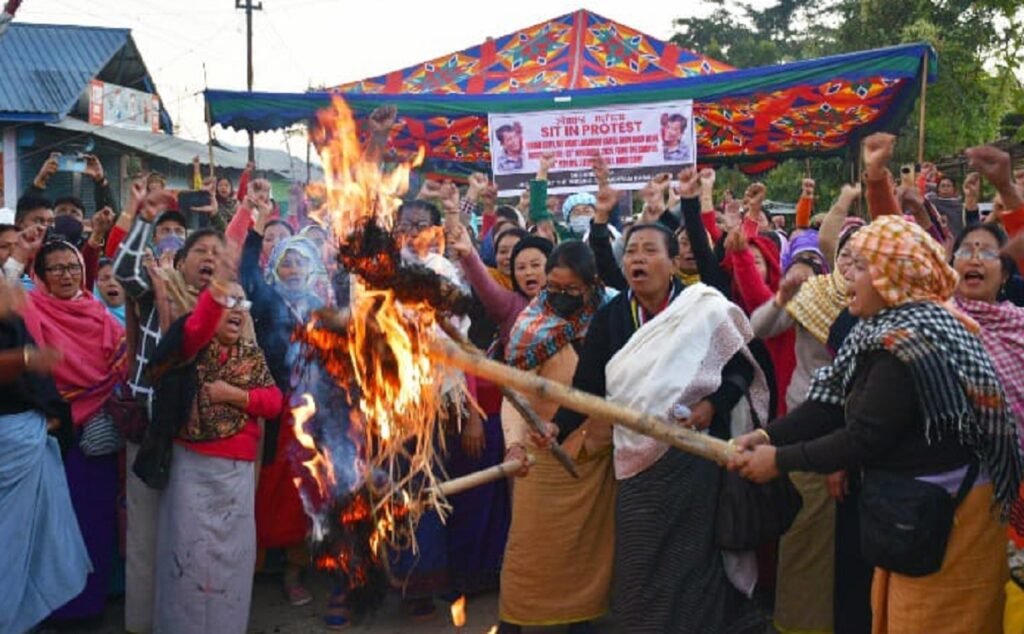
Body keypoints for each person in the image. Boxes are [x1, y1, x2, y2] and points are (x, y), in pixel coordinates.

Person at [730, 215, 1023, 634]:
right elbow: (829, 404)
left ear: (891, 277)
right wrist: (766, 435)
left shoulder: (909, 341)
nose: (849, 277)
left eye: (864, 267)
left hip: (951, 516)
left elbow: (863, 437)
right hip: (919, 507)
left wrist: (778, 459)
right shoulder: (880, 329)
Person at [540, 176, 768, 631]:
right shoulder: (611, 316)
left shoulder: (704, 308)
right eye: (631, 252)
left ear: (672, 263)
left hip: (697, 455)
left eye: (649, 251)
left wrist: (712, 406)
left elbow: (745, 366)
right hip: (637, 462)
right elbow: (588, 387)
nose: (637, 259)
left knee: (697, 558)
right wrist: (557, 427)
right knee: (640, 561)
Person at [151, 272, 282, 634]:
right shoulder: (190, 349)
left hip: (235, 476)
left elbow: (273, 403)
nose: (236, 310)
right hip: (191, 470)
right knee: (189, 557)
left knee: (231, 561)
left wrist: (234, 396)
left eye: (242, 303)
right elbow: (200, 322)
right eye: (227, 302)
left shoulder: (251, 356)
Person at [498, 241, 615, 633]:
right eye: (553, 288)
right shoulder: (530, 325)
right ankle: (513, 622)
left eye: (571, 291)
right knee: (528, 550)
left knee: (587, 554)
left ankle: (583, 621)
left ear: (591, 284)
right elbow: (514, 396)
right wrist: (515, 443)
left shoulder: (612, 313)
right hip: (542, 457)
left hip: (597, 459)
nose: (560, 298)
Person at [20, 238, 128, 624]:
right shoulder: (32, 309)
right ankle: (54, 606)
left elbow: (121, 362)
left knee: (95, 520)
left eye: (74, 267)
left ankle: (91, 603)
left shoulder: (97, 311)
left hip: (97, 433)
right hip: (52, 432)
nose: (66, 275)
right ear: (42, 276)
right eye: (57, 268)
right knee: (53, 525)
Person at [95, 257, 127, 325]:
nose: (112, 283)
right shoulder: (91, 313)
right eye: (105, 278)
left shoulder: (137, 313)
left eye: (117, 278)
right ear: (96, 285)